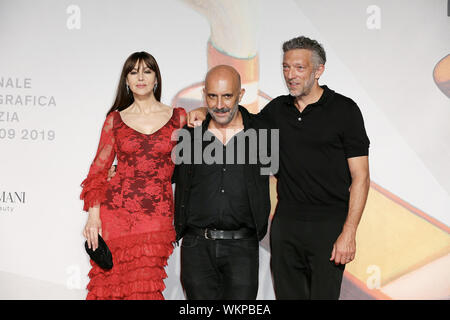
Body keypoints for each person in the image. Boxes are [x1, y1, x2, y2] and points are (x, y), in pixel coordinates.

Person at [187, 36, 370, 300]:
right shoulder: (276, 110)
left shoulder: (345, 110)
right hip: (285, 226)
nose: (290, 75)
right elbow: (238, 119)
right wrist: (206, 110)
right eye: (285, 67)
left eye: (299, 67)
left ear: (318, 70)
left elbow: (361, 178)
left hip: (328, 227)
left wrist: (349, 233)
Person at [80, 51, 186, 300]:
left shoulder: (179, 118)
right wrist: (94, 219)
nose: (140, 77)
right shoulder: (115, 120)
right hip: (115, 216)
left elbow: (190, 167)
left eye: (147, 71)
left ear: (156, 78)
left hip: (156, 217)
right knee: (111, 288)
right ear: (126, 80)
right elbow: (97, 172)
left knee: (144, 289)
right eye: (133, 71)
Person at [172, 65, 274, 300]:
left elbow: (292, 175)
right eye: (212, 96)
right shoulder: (190, 135)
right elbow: (160, 172)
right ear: (204, 95)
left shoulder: (263, 133)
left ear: (240, 95)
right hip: (196, 248)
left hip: (243, 249)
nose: (219, 104)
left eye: (227, 96)